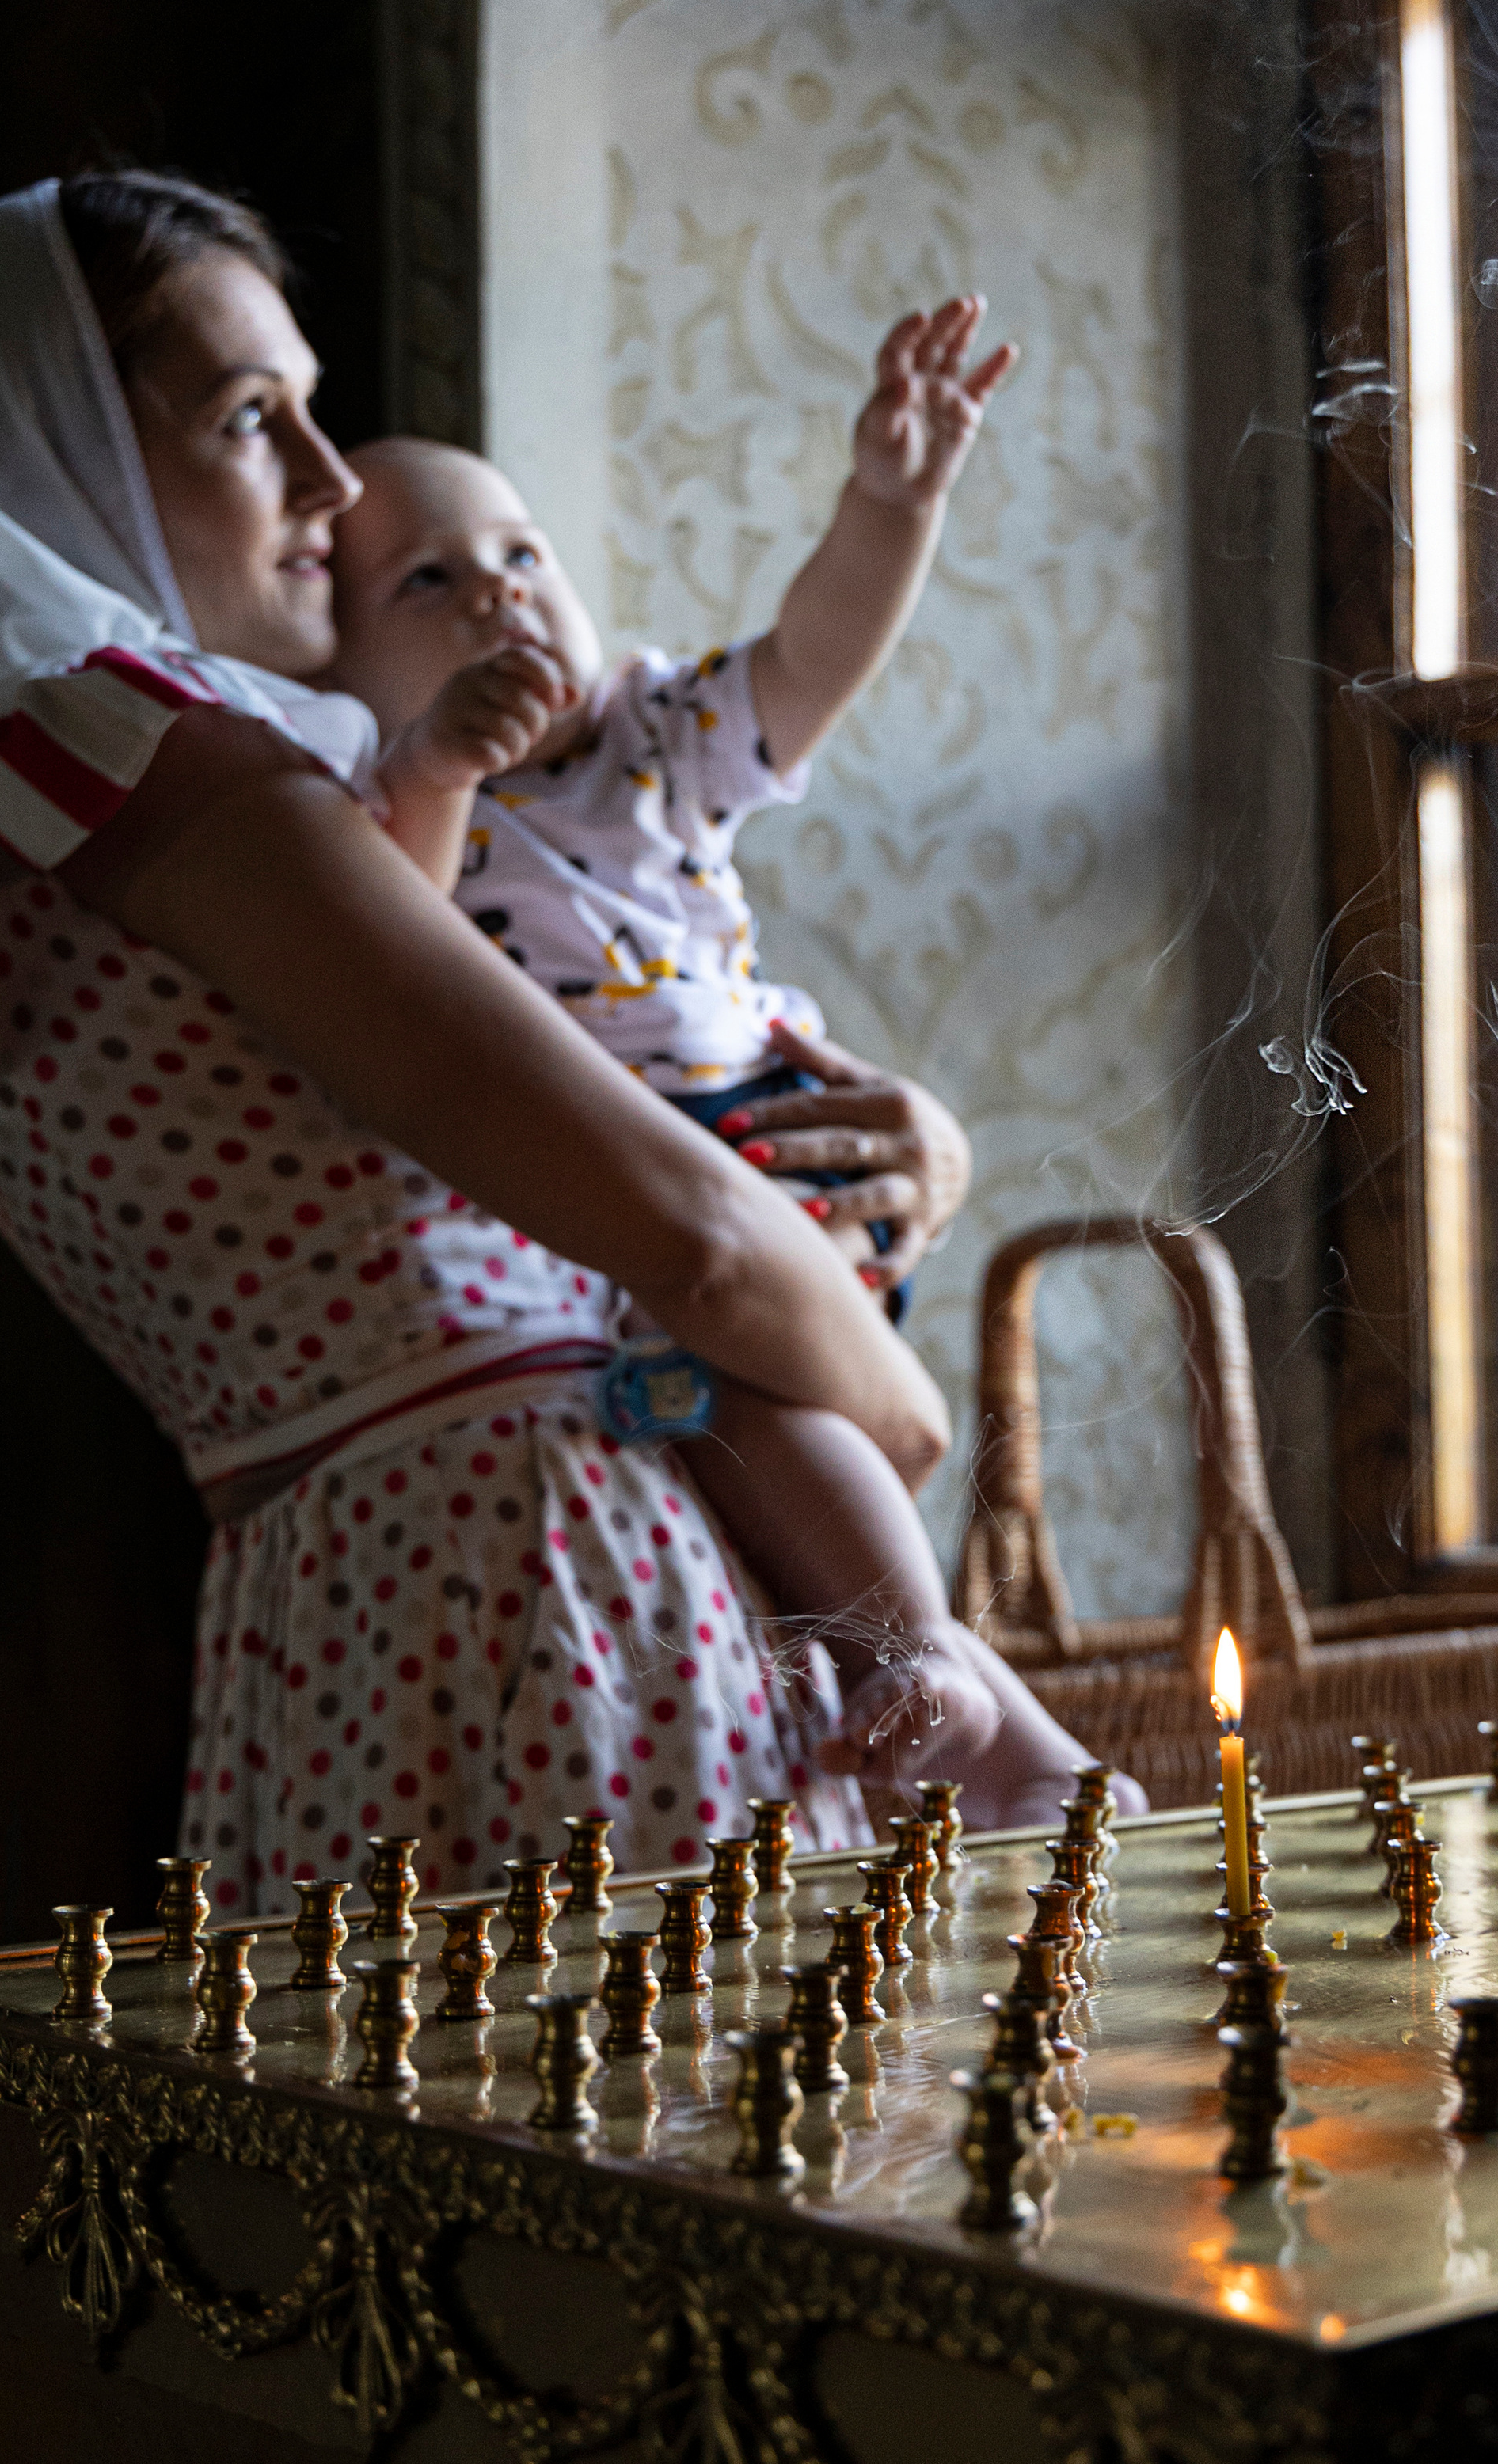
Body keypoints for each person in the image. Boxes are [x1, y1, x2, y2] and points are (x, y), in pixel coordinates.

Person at [0, 169, 1122, 1917]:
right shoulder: (154, 758)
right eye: (252, 421)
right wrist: (897, 1392)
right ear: (58, 444)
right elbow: (682, 1227)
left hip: (341, 1594)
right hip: (545, 1566)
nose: (328, 484)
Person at [317, 311, 1099, 1813]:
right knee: (741, 1458)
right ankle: (1028, 1764)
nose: (500, 594)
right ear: (342, 660)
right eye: (431, 580)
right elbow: (393, 959)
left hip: (748, 1143)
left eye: (524, 554)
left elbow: (814, 652)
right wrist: (432, 765)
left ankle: (920, 1655)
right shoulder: (384, 789)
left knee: (744, 1416)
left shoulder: (651, 734)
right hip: (603, 1172)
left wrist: (890, 504)